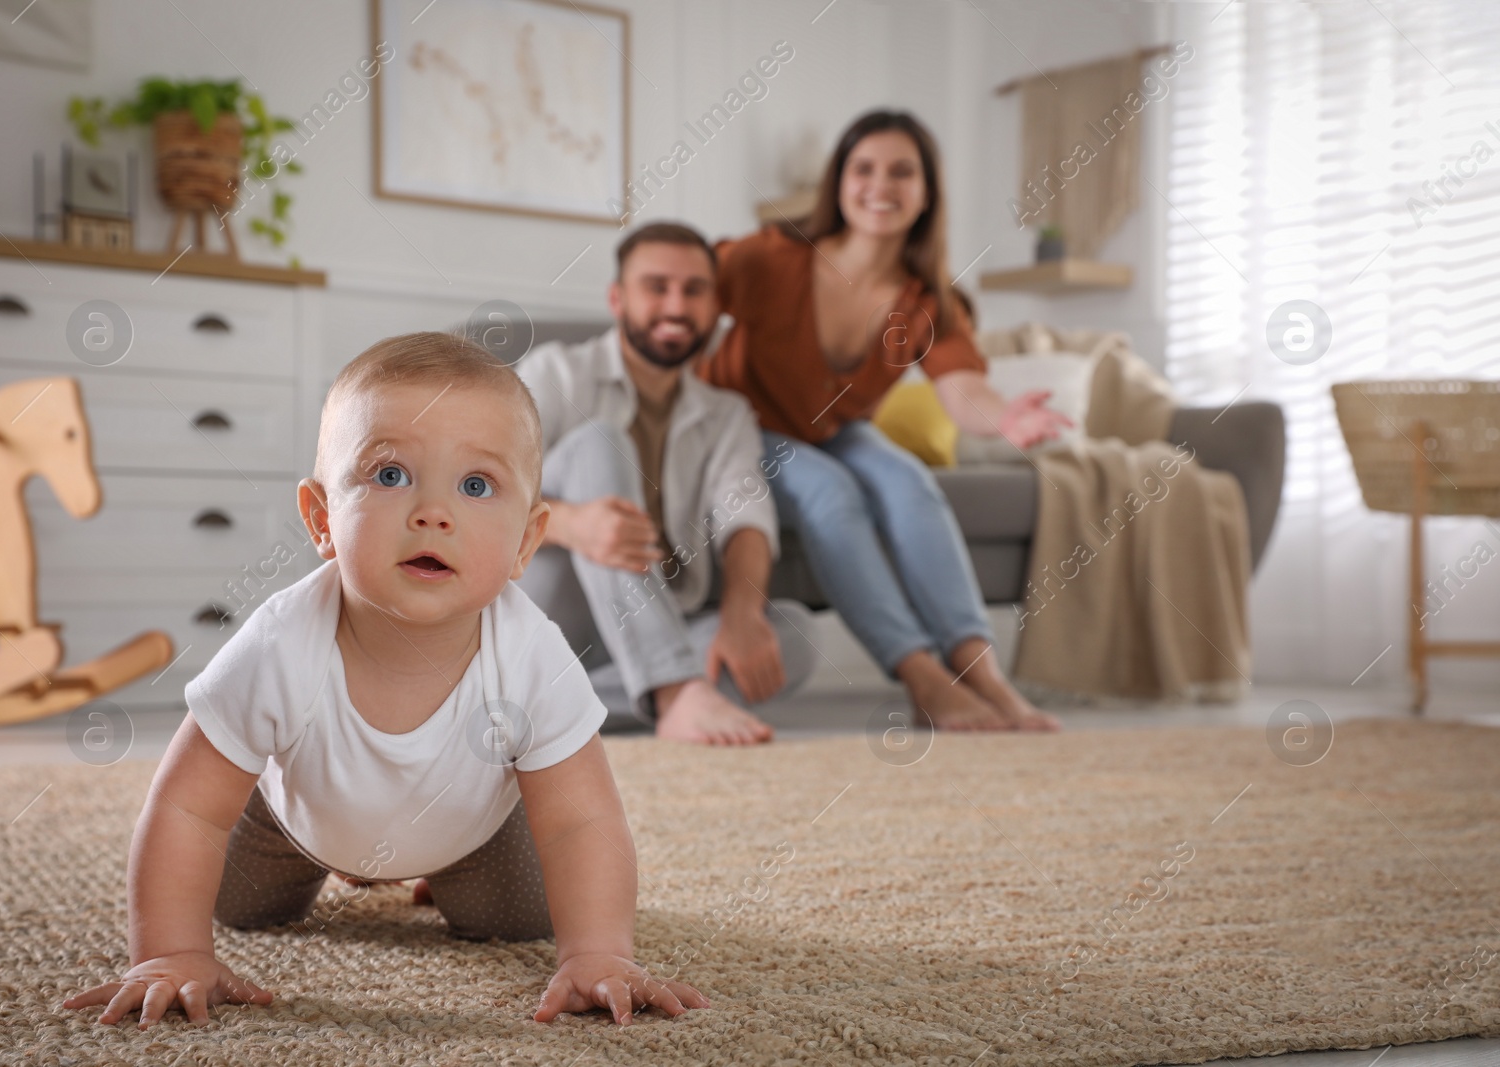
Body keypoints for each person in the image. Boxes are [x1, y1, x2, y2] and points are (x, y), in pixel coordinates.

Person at [63, 333, 707, 1029]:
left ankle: (439, 866)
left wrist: (601, 953)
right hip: (296, 823)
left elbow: (583, 818)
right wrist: (168, 952)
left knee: (525, 917)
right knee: (238, 904)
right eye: (391, 475)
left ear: (526, 540)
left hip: (469, 832)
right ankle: (315, 862)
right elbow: (186, 807)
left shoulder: (531, 653)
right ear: (322, 520)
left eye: (476, 485)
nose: (434, 512)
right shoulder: (281, 643)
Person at [697, 110, 1069, 732]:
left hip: (833, 428)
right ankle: (924, 680)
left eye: (902, 172)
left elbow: (962, 387)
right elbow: (683, 291)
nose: (880, 185)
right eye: (863, 169)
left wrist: (1005, 418)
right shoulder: (772, 257)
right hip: (743, 427)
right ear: (838, 183)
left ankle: (983, 675)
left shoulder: (927, 300)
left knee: (909, 482)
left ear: (927, 193)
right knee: (831, 490)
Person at [515, 222, 815, 747]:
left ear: (714, 305)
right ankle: (675, 690)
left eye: (694, 290)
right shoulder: (555, 373)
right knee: (597, 443)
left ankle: (542, 710)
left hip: (658, 622)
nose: (676, 306)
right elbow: (474, 490)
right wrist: (572, 524)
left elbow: (746, 514)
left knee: (792, 633)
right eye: (657, 287)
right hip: (552, 615)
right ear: (618, 298)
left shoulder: (726, 414)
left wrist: (743, 616)